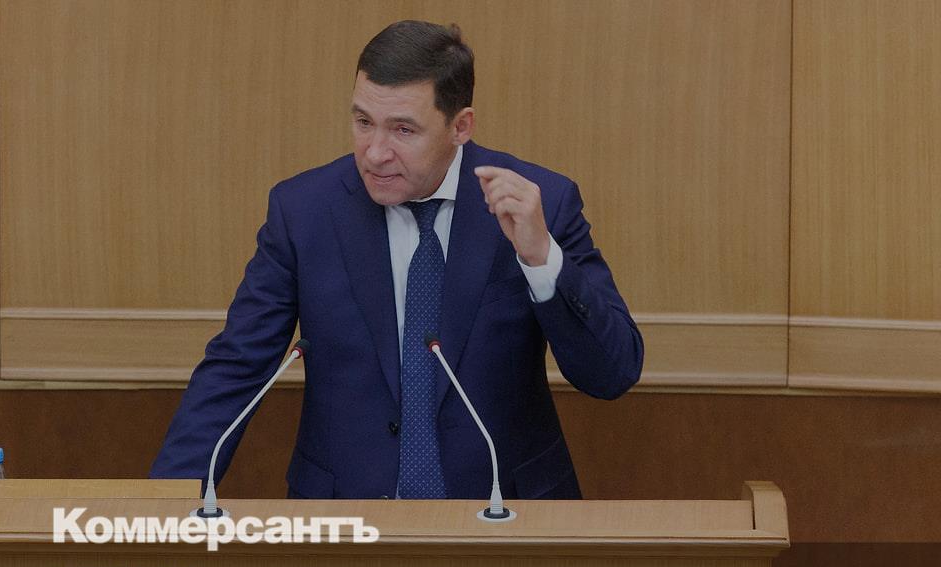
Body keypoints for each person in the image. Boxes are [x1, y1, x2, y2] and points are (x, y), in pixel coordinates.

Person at [150, 20, 642, 500]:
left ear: (460, 126)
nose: (375, 153)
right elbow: (236, 368)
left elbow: (612, 373)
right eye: (363, 122)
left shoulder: (542, 203)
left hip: (506, 514)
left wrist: (541, 259)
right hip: (347, 516)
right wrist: (162, 505)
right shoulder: (304, 212)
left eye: (403, 129)